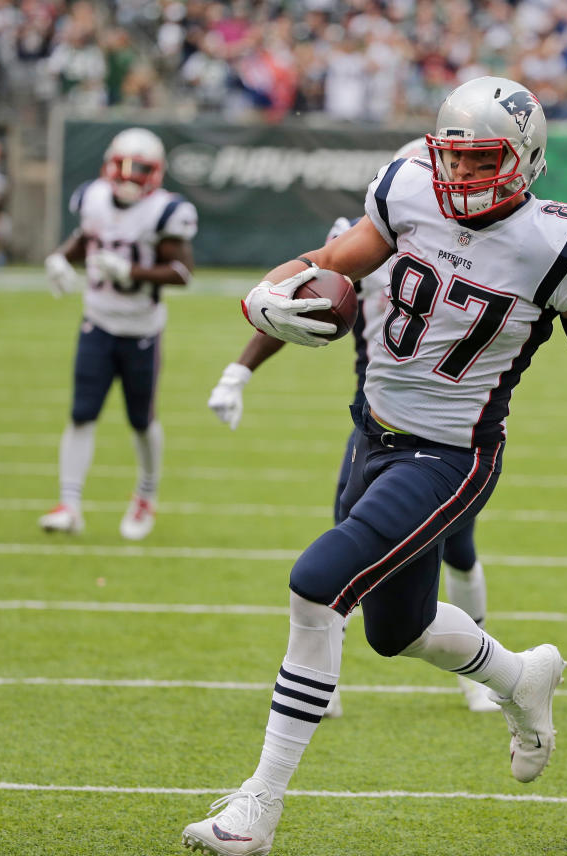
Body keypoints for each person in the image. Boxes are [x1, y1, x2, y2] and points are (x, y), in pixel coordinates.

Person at [181, 76, 567, 856]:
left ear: (525, 160)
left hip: (451, 455)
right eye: (452, 159)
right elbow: (333, 262)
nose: (459, 178)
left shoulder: (562, 244)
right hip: (371, 436)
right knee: (398, 630)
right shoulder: (409, 183)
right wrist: (267, 295)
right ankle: (520, 677)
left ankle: (259, 807)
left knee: (317, 587)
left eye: (481, 162)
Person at [207, 147, 499, 715]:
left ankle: (478, 677)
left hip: (449, 432)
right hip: (378, 420)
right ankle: (323, 676)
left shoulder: (484, 245)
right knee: (347, 541)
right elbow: (298, 301)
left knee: (459, 549)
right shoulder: (360, 240)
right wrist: (238, 369)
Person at [38, 127, 197, 540]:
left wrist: (132, 272)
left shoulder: (165, 211)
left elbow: (182, 273)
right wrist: (58, 258)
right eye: (122, 167)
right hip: (97, 321)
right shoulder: (92, 198)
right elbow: (85, 238)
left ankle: (146, 495)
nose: (129, 177)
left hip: (141, 330)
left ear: (156, 172)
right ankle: (69, 504)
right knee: (81, 413)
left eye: (139, 169)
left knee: (140, 421)